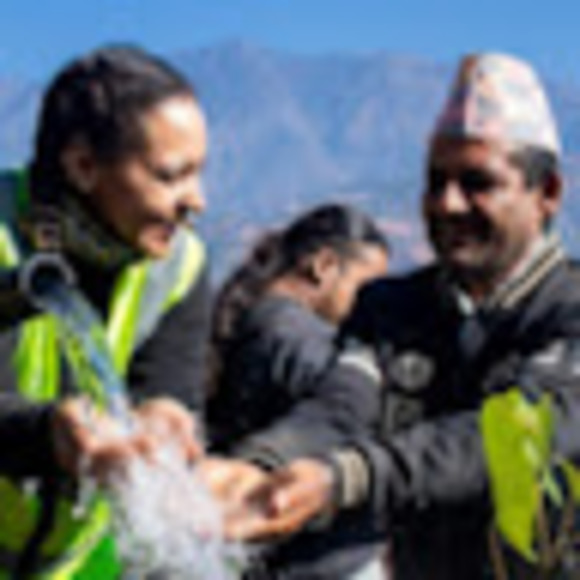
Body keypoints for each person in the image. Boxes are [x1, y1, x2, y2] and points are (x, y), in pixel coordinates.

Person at [201, 53, 580, 579]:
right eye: (435, 181)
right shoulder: (391, 308)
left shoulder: (568, 310)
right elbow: (342, 406)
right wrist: (259, 467)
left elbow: (510, 440)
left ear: (548, 194)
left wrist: (345, 478)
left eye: (477, 182)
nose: (447, 203)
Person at [0, 45, 209, 578]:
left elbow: (169, 385)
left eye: (199, 173)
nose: (197, 200)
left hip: (73, 565)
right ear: (83, 165)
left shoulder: (179, 264)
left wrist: (165, 417)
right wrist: (47, 434)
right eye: (171, 176)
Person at [206, 203, 389, 579]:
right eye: (366, 287)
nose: (372, 305)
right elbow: (353, 409)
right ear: (324, 266)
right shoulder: (299, 339)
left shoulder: (253, 323)